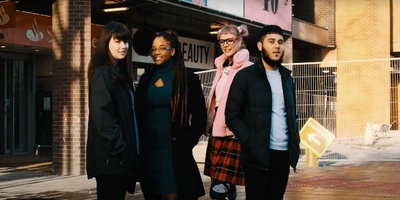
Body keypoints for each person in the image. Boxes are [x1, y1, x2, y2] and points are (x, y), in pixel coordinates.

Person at [225, 24, 300, 200]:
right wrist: (251, 139)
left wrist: (295, 140)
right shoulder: (246, 76)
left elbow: (290, 113)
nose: (277, 46)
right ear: (260, 46)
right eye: (271, 41)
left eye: (280, 42)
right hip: (258, 156)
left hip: (283, 155)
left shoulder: (287, 78)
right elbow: (231, 115)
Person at [135, 29, 207, 200]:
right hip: (149, 151)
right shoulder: (146, 78)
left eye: (162, 48)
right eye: (153, 49)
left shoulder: (187, 78)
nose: (156, 52)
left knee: (174, 193)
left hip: (174, 152)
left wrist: (187, 142)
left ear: (172, 51)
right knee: (152, 193)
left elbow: (200, 116)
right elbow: (137, 112)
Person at [86, 21, 140, 200]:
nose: (123, 46)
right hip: (111, 160)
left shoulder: (120, 73)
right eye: (117, 41)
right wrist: (122, 150)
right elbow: (104, 118)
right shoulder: (103, 74)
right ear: (106, 42)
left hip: (119, 161)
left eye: (125, 42)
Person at [203, 24, 253, 200]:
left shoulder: (249, 68)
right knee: (224, 188)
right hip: (217, 133)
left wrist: (243, 129)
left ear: (239, 41)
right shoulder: (221, 67)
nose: (225, 44)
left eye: (230, 40)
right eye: (221, 41)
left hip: (234, 134)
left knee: (218, 190)